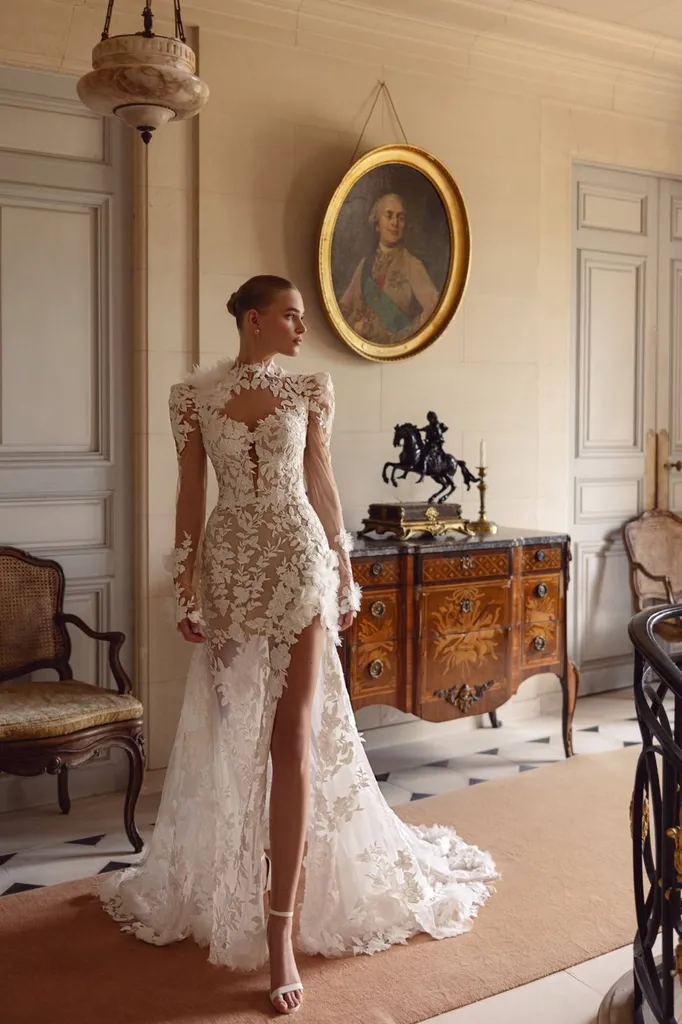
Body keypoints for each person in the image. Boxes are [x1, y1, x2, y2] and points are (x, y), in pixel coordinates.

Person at [99, 275, 497, 1015]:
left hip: (298, 564)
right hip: (229, 572)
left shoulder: (312, 389)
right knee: (234, 738)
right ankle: (232, 890)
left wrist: (345, 575)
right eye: (290, 316)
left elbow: (322, 483)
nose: (301, 328)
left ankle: (280, 932)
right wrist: (185, 583)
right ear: (252, 320)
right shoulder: (191, 399)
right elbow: (191, 495)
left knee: (293, 739)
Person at [339, 192, 440, 345]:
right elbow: (344, 307)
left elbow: (434, 307)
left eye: (401, 217)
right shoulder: (365, 264)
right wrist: (351, 329)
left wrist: (405, 335)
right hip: (355, 350)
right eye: (389, 215)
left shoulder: (412, 264)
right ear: (377, 224)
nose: (395, 223)